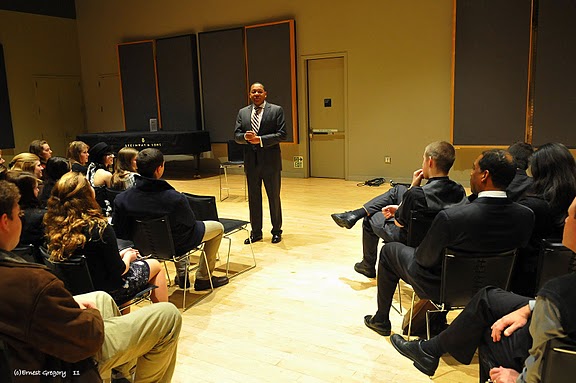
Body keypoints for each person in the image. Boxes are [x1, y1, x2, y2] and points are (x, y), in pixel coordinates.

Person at [0, 180, 182, 382]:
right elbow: (88, 335)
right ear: (4, 222)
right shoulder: (31, 282)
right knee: (169, 314)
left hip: (82, 291)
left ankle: (123, 369)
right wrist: (92, 315)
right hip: (63, 363)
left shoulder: (51, 227)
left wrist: (69, 303)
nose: (22, 219)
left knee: (101, 297)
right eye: (19, 215)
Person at [390, 195, 576, 383]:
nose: (564, 220)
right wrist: (530, 307)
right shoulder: (525, 215)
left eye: (569, 216)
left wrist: (519, 379)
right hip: (547, 306)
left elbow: (547, 362)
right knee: (489, 298)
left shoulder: (557, 292)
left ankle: (428, 350)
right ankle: (429, 350)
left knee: (493, 333)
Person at [364, 149, 535, 337]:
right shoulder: (526, 216)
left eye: (473, 169)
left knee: (389, 250)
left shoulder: (451, 217)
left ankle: (381, 319)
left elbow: (424, 259)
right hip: (495, 287)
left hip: (444, 287)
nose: (471, 174)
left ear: (485, 175)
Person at [332, 141, 467, 278]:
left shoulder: (415, 195)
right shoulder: (459, 190)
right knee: (398, 190)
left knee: (370, 218)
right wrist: (409, 194)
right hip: (440, 243)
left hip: (412, 240)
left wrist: (407, 198)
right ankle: (355, 214)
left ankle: (367, 265)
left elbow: (399, 223)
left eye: (423, 160)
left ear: (430, 162)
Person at [112, 148, 229, 291]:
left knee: (172, 234)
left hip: (142, 248)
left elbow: (119, 230)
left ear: (137, 166)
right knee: (217, 228)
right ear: (160, 168)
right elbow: (190, 224)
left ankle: (182, 274)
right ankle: (203, 278)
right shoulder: (175, 198)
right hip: (175, 245)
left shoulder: (121, 199)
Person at [44, 172, 168, 305]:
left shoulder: (53, 227)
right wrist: (128, 257)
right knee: (155, 265)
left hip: (75, 291)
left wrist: (119, 255)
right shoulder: (99, 228)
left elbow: (94, 260)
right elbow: (119, 271)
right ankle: (165, 319)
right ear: (86, 196)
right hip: (107, 293)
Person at [510, 142, 576, 296]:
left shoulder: (530, 207)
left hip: (528, 287)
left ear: (540, 172)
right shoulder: (573, 204)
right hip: (569, 284)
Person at [234, 82, 287, 244]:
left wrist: (260, 140)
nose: (256, 94)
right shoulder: (243, 113)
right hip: (251, 163)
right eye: (253, 92)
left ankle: (276, 231)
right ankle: (256, 232)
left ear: (265, 94)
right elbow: (236, 135)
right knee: (254, 199)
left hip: (271, 163)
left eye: (259, 91)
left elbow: (282, 134)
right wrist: (244, 137)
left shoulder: (276, 110)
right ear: (250, 95)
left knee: (274, 198)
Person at [4, 170, 46, 248]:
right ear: (28, 192)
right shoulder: (41, 216)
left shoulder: (6, 212)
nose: (38, 190)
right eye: (36, 188)